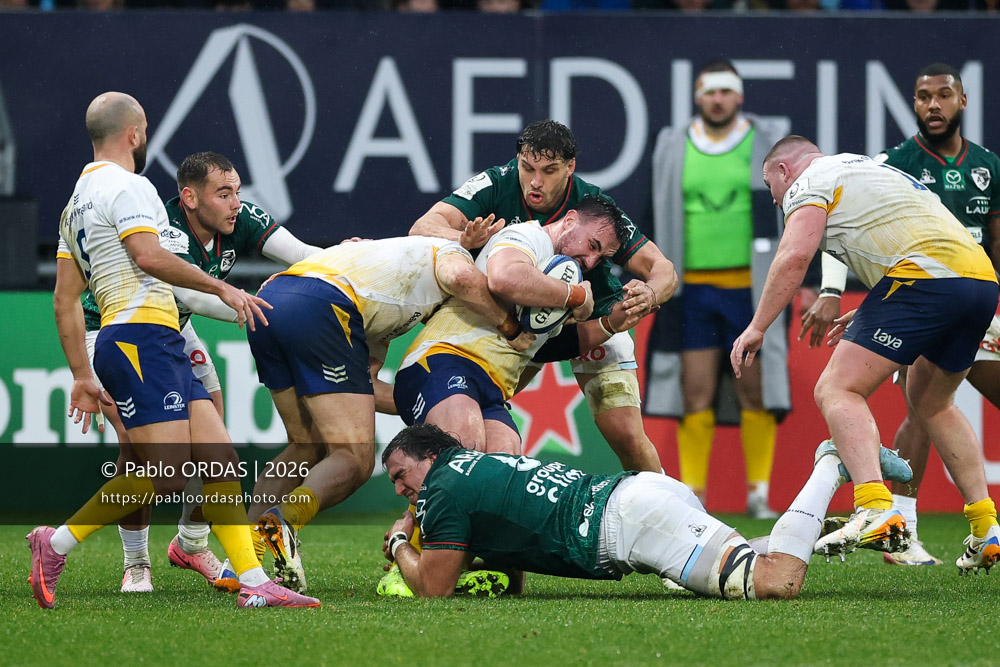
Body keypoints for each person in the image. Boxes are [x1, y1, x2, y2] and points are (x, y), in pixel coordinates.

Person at [35, 91, 319, 609]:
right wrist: (222, 288)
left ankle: (253, 584)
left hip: (157, 337)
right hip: (138, 338)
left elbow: (64, 299)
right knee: (167, 470)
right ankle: (54, 544)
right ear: (136, 134)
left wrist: (80, 373)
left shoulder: (74, 204)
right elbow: (149, 257)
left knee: (219, 459)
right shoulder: (132, 187)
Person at [731, 135, 1000, 571]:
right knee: (934, 403)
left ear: (783, 171)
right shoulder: (865, 166)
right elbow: (914, 234)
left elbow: (794, 255)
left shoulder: (808, 181)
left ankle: (875, 505)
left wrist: (757, 326)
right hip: (979, 281)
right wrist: (872, 308)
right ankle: (986, 525)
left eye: (770, 187)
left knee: (837, 389)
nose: (775, 199)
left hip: (924, 281)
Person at [245, 225, 529, 592]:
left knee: (305, 444)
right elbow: (461, 277)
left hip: (272, 300)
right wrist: (508, 326)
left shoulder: (390, 289)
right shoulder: (447, 252)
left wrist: (433, 394)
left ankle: (242, 561)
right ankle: (284, 521)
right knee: (355, 457)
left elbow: (365, 384)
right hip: (325, 305)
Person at [800, 64, 1000, 567]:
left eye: (943, 96)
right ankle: (915, 526)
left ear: (963, 101)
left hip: (965, 295)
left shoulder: (989, 166)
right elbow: (841, 223)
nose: (933, 105)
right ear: (912, 104)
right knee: (926, 404)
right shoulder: (894, 162)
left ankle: (888, 513)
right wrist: (830, 289)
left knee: (923, 402)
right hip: (937, 291)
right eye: (922, 97)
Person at [410, 119, 677, 476]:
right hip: (526, 327)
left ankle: (673, 515)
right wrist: (464, 239)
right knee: (473, 410)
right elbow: (423, 227)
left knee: (627, 437)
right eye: (528, 168)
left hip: (597, 319)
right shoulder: (496, 183)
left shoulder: (593, 207)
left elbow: (663, 269)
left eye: (549, 171)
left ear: (570, 168)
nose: (536, 181)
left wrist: (649, 291)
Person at [378, 423, 913, 598]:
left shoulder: (442, 492)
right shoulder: (477, 466)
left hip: (634, 526)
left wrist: (401, 544)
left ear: (431, 457)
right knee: (734, 564)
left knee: (776, 583)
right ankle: (815, 527)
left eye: (401, 474)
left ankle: (829, 463)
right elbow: (512, 565)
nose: (401, 489)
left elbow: (433, 588)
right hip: (640, 497)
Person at [645, 60, 789, 518]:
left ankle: (759, 493)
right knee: (695, 392)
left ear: (740, 96)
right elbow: (654, 212)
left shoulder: (767, 142)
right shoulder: (672, 145)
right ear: (698, 97)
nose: (718, 99)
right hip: (692, 291)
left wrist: (798, 282)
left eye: (726, 91)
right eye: (710, 92)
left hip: (751, 289)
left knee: (756, 391)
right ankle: (694, 496)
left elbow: (795, 212)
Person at [395, 195, 635, 454]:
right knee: (464, 458)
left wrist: (611, 323)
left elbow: (545, 349)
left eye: (600, 258)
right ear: (570, 220)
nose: (590, 261)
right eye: (592, 245)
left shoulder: (563, 275)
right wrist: (576, 296)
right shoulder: (530, 237)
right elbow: (504, 277)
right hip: (444, 362)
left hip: (492, 387)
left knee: (503, 475)